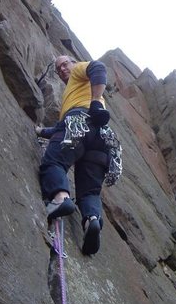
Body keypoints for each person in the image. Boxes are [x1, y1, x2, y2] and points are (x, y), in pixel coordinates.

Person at [36, 55, 116, 255]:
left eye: (65, 64)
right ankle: (92, 222)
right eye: (58, 69)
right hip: (100, 138)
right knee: (89, 192)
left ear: (73, 63)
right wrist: (42, 131)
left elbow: (98, 67)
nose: (62, 69)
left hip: (79, 123)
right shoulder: (75, 92)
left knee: (54, 162)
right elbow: (61, 127)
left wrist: (96, 101)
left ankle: (61, 198)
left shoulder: (80, 72)